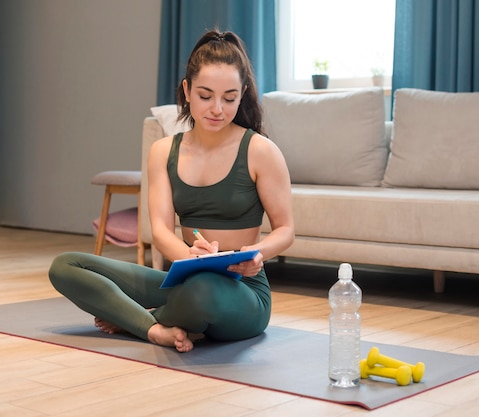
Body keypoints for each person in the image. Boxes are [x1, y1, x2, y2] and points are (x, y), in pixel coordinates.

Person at [48, 30, 294, 353]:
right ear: (187, 90)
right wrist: (192, 258)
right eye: (205, 96)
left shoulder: (261, 151)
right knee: (65, 266)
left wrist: (256, 254)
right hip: (187, 274)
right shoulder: (164, 151)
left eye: (230, 98)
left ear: (243, 94)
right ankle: (155, 329)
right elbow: (162, 230)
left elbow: (286, 229)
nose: (217, 108)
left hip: (242, 289)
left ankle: (136, 319)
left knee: (202, 291)